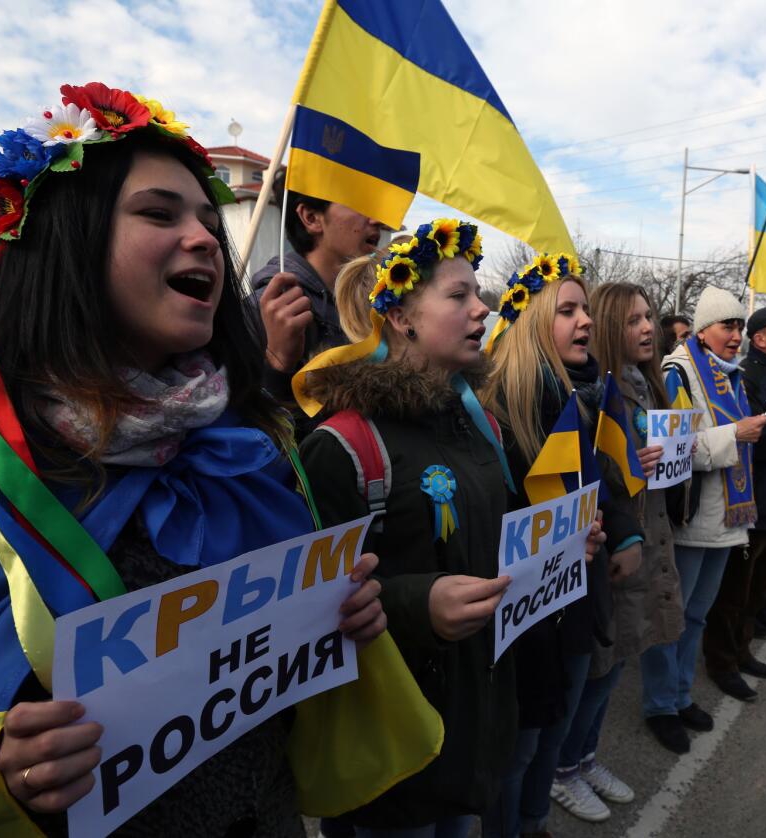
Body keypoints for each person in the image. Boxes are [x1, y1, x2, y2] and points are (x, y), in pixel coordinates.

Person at [0, 83, 389, 836]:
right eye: (159, 214)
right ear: (68, 237)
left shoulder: (244, 439)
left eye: (206, 221)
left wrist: (335, 616)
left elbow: (264, 666)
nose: (202, 240)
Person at [297, 219, 516, 837]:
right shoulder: (343, 445)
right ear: (401, 318)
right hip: (391, 754)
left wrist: (557, 549)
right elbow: (308, 607)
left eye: (479, 294)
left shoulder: (481, 427)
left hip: (470, 722)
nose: (482, 309)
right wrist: (417, 603)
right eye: (459, 296)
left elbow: (491, 544)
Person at [480, 255, 634, 833]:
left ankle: (535, 819)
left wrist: (605, 530)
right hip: (523, 616)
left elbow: (600, 489)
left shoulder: (586, 398)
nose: (586, 322)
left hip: (576, 599)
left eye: (586, 310)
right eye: (567, 310)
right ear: (532, 322)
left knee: (553, 732)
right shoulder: (498, 410)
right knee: (518, 748)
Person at [585, 283, 684, 760]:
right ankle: (568, 766)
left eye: (648, 317)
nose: (648, 328)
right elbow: (589, 475)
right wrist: (625, 467)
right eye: (633, 320)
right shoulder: (600, 393)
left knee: (626, 653)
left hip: (654, 533)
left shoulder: (652, 384)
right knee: (604, 663)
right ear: (608, 327)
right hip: (619, 545)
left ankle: (581, 760)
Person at [658, 286, 766, 706]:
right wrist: (736, 433)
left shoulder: (729, 373)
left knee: (697, 616)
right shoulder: (679, 372)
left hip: (727, 520)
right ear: (703, 331)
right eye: (728, 325)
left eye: (740, 326)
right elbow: (674, 448)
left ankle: (682, 696)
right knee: (674, 620)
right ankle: (662, 704)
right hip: (690, 521)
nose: (737, 334)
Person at [694, 306, 766, 691]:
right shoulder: (749, 378)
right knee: (734, 595)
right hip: (755, 504)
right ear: (760, 339)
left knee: (758, 592)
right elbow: (762, 444)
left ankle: (742, 652)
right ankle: (723, 663)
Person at [250, 193, 383, 432]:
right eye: (361, 205)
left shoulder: (375, 308)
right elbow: (248, 433)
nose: (377, 220)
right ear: (311, 218)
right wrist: (278, 365)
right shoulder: (269, 308)